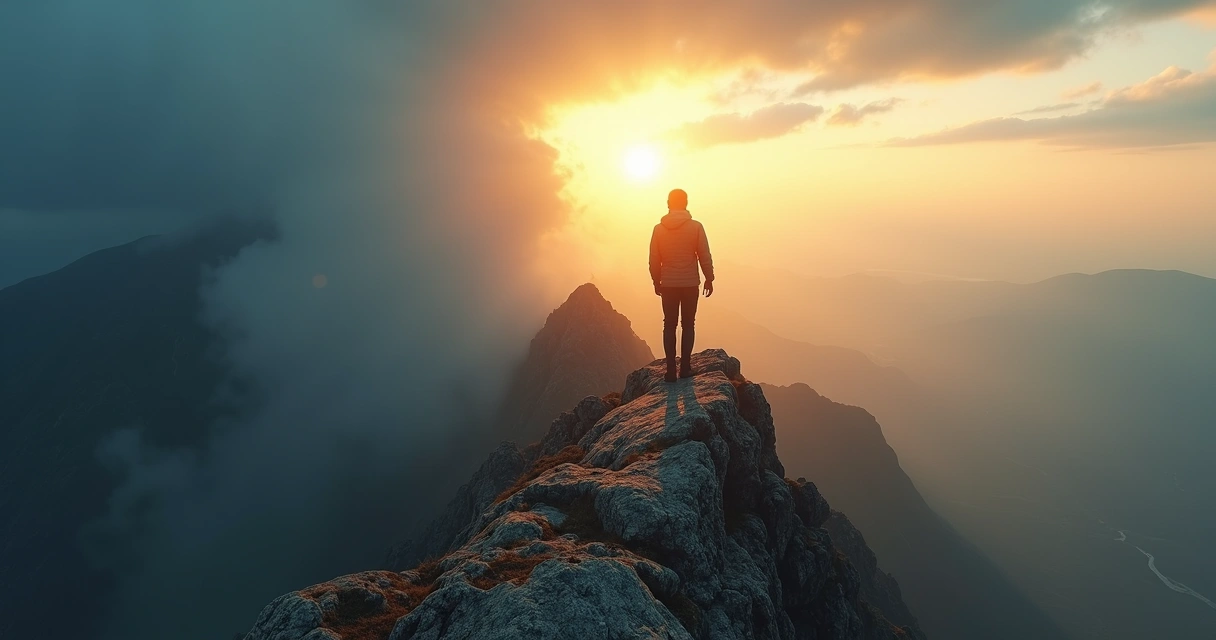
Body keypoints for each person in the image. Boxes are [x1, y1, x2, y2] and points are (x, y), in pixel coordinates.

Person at [649, 188, 714, 382]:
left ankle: (670, 371)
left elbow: (654, 259)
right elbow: (704, 254)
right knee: (688, 324)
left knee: (669, 325)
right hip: (690, 284)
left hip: (668, 283)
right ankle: (685, 368)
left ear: (668, 203)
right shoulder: (696, 227)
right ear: (686, 203)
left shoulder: (658, 229)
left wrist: (656, 280)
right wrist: (709, 278)